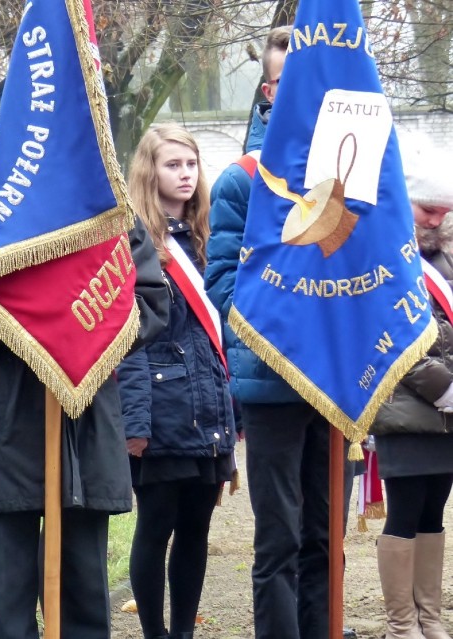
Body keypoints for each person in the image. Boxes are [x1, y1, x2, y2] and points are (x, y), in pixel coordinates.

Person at [0, 81, 172, 639]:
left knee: (85, 603)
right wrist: (30, 292)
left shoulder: (108, 218)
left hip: (82, 431)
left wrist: (78, 317)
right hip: (0, 432)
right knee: (9, 610)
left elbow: (153, 305)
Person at [204, 27, 353, 639]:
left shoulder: (353, 180)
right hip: (270, 384)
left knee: (325, 537)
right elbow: (222, 284)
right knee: (280, 540)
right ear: (269, 91)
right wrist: (286, 337)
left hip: (335, 384)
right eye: (289, 83)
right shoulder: (241, 181)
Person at [116, 123, 237, 639]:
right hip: (162, 409)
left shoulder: (210, 234)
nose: (185, 174)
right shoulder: (132, 237)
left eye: (190, 164)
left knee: (197, 530)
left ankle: (183, 632)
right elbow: (132, 339)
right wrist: (136, 421)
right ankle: (154, 634)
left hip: (210, 406)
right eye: (172, 164)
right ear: (150, 170)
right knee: (155, 527)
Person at [369, 143, 453, 639]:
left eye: (444, 212)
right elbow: (391, 338)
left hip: (446, 418)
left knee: (434, 511)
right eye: (428, 210)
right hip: (406, 410)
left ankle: (432, 616)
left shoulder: (444, 261)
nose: (436, 220)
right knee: (403, 513)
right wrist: (445, 391)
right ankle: (402, 623)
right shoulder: (385, 259)